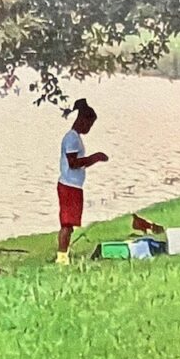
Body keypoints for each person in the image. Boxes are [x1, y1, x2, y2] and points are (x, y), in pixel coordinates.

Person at [56, 99, 108, 265]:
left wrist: (94, 159)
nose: (89, 128)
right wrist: (95, 157)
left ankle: (64, 253)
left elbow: (78, 162)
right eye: (89, 124)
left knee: (70, 223)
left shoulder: (76, 138)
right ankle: (62, 257)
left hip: (74, 186)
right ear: (81, 120)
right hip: (69, 186)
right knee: (66, 223)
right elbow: (73, 163)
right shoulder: (71, 138)